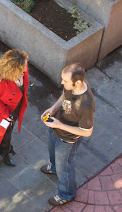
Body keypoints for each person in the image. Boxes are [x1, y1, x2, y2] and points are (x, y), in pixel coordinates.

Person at [40, 63, 95, 206]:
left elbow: (87, 132)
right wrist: (52, 108)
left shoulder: (86, 105)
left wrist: (59, 125)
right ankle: (53, 167)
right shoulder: (73, 86)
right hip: (56, 126)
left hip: (67, 140)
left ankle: (67, 194)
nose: (62, 83)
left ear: (77, 82)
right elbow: (64, 95)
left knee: (64, 167)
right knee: (52, 152)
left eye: (65, 81)